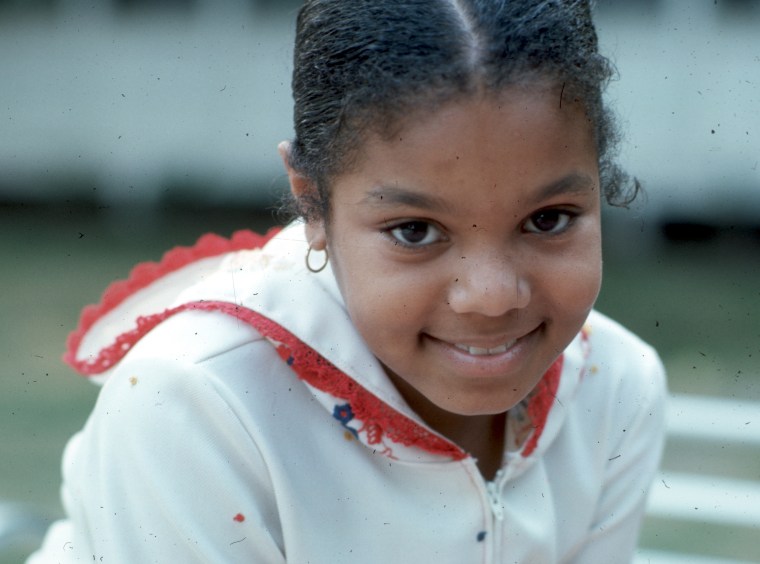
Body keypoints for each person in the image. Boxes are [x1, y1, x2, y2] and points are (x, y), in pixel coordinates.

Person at [29, 1, 666, 562]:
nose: (492, 295)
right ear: (313, 205)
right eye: (415, 231)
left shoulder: (616, 385)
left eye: (548, 220)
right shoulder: (200, 402)